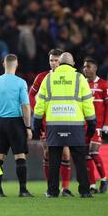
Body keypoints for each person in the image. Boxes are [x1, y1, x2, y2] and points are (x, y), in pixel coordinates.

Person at [34, 52, 95, 198]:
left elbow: (40, 102)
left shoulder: (49, 78)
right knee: (80, 160)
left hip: (54, 125)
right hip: (75, 125)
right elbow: (87, 102)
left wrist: (37, 122)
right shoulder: (79, 78)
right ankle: (85, 191)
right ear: (73, 64)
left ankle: (52, 191)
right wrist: (92, 122)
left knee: (54, 160)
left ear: (59, 64)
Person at [0, 54, 34, 197]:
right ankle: (23, 190)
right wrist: (28, 127)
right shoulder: (20, 82)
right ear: (17, 64)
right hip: (16, 123)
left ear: (3, 64)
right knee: (19, 156)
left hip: (1, 123)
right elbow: (25, 106)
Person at [29, 49, 74, 196]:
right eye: (51, 60)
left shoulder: (69, 77)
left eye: (56, 60)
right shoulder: (42, 77)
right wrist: (38, 115)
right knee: (48, 154)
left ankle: (65, 188)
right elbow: (31, 96)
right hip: (46, 124)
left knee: (66, 155)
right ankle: (50, 187)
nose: (54, 63)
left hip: (64, 121)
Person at [83, 57, 108, 193]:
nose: (85, 69)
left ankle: (104, 180)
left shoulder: (104, 84)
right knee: (86, 155)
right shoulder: (82, 84)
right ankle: (92, 185)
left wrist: (106, 124)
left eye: (88, 66)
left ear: (95, 68)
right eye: (84, 67)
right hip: (83, 126)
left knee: (93, 151)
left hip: (98, 126)